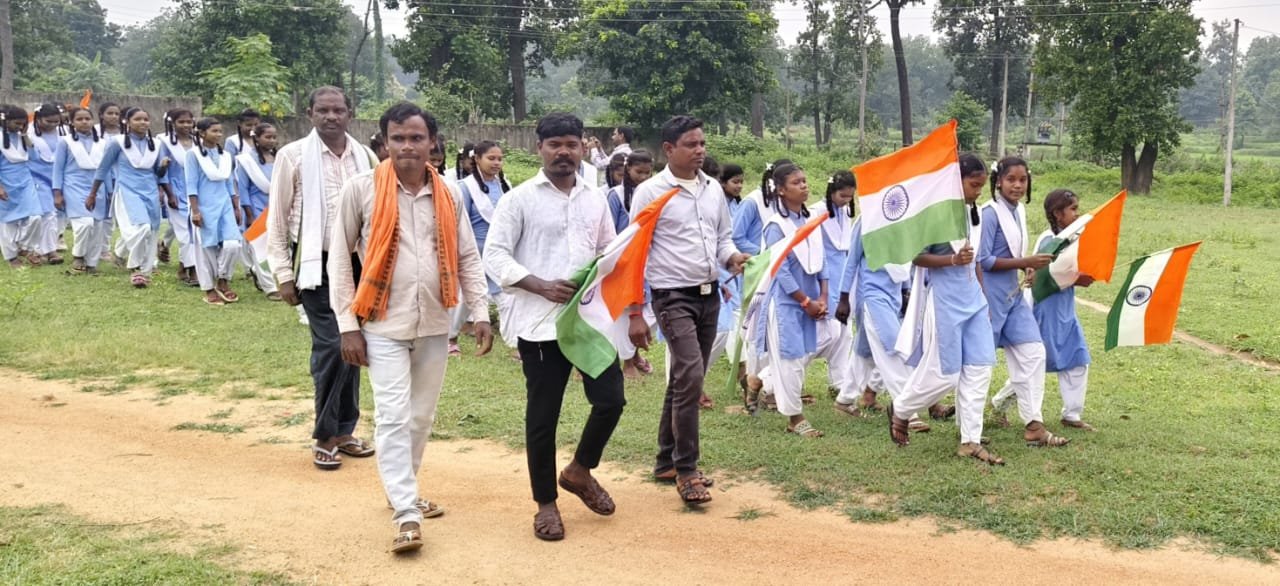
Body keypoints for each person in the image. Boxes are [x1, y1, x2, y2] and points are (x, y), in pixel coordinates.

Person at [329, 102, 492, 554]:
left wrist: (480, 311)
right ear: (384, 142)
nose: (407, 146)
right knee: (393, 415)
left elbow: (467, 255)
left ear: (432, 142)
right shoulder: (361, 189)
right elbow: (340, 259)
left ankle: (402, 487)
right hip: (381, 323)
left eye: (416, 138)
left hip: (436, 323)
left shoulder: (449, 194)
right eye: (397, 138)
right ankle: (406, 511)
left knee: (421, 416)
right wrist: (347, 325)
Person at [484, 112, 625, 542]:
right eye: (554, 145)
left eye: (571, 144)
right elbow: (495, 255)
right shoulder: (519, 200)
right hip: (540, 325)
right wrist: (540, 285)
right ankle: (545, 503)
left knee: (611, 400)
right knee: (543, 417)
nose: (564, 152)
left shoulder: (595, 198)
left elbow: (607, 249)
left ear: (583, 147)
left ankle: (580, 470)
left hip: (587, 322)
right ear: (539, 148)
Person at [629, 115, 749, 505]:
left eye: (702, 144)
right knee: (692, 375)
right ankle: (686, 470)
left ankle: (666, 460)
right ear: (669, 149)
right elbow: (635, 252)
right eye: (691, 144)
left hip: (709, 295)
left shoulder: (712, 188)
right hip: (672, 297)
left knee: (684, 377)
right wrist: (635, 311)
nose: (700, 151)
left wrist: (731, 258)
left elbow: (723, 238)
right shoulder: (650, 192)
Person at [266, 86, 378, 470]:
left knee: (355, 345)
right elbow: (277, 219)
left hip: (359, 265)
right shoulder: (293, 155)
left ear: (350, 113)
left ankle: (345, 431)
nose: (331, 117)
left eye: (338, 110)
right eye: (323, 110)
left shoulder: (366, 157)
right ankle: (326, 435)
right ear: (310, 113)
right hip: (316, 264)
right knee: (332, 345)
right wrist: (283, 274)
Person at [889, 153, 1003, 465]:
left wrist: (983, 298)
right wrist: (951, 259)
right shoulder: (936, 214)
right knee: (946, 374)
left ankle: (970, 440)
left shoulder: (973, 213)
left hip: (973, 301)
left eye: (981, 186)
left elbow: (974, 261)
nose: (978, 191)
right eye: (973, 185)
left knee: (980, 369)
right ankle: (901, 409)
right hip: (945, 302)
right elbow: (916, 256)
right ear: (956, 182)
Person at [980, 156, 1070, 448]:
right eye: (1011, 180)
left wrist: (1026, 266)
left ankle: (1034, 425)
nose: (1017, 185)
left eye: (1022, 180)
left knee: (1033, 353)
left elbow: (1012, 253)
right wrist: (1024, 261)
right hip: (990, 297)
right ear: (998, 182)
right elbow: (984, 260)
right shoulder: (990, 214)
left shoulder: (1018, 211)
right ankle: (966, 426)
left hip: (1014, 296)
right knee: (979, 364)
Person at [753, 164, 828, 437]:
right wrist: (805, 300)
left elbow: (822, 260)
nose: (804, 186)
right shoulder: (776, 226)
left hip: (811, 299)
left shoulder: (810, 221)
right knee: (790, 360)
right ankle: (795, 418)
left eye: (805, 180)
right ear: (781, 190)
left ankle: (757, 381)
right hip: (786, 302)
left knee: (803, 354)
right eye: (797, 182)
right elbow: (780, 269)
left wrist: (823, 296)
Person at [1033, 189, 1096, 431]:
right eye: (1072, 209)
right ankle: (1001, 402)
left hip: (1065, 307)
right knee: (1036, 363)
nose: (1076, 214)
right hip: (1046, 307)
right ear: (1058, 214)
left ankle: (1072, 414)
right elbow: (1045, 274)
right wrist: (1077, 279)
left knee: (1078, 358)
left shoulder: (1070, 238)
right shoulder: (1049, 240)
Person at [89, 106, 170, 288]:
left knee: (152, 231)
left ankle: (144, 268)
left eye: (146, 119)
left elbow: (158, 173)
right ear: (127, 122)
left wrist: (164, 169)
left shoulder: (156, 144)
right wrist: (93, 193)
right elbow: (102, 169)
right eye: (138, 119)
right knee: (142, 228)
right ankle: (135, 268)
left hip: (150, 192)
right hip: (127, 191)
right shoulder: (117, 143)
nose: (143, 123)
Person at [451, 140, 511, 356]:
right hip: (474, 252)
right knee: (465, 299)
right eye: (491, 158)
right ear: (477, 159)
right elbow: (459, 222)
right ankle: (450, 338)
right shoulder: (465, 188)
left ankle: (517, 344)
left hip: (498, 252)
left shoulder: (505, 185)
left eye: (500, 159)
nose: (496, 163)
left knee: (507, 296)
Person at [605, 149, 657, 379]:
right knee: (625, 311)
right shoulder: (615, 196)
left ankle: (634, 353)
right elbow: (609, 231)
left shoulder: (654, 193)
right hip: (623, 261)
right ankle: (627, 362)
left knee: (647, 310)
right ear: (628, 170)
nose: (643, 177)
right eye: (639, 172)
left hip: (648, 259)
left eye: (648, 173)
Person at [186, 117, 243, 306]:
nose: (218, 134)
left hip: (225, 205)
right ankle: (209, 289)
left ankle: (223, 279)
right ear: (202, 133)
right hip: (203, 205)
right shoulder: (193, 155)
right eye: (214, 131)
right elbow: (191, 184)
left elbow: (229, 182)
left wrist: (236, 206)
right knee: (206, 250)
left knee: (233, 244)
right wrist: (195, 210)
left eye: (220, 131)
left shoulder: (226, 156)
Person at [54, 106, 107, 274]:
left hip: (98, 188)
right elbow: (58, 168)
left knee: (97, 226)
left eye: (87, 119)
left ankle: (91, 263)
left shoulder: (102, 143)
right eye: (79, 119)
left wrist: (110, 191)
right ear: (72, 122)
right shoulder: (65, 142)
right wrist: (57, 192)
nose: (84, 122)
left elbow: (106, 169)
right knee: (85, 223)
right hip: (74, 186)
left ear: (93, 121)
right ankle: (78, 256)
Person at [235, 122, 281, 300]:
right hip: (256, 207)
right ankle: (270, 287)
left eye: (274, 137)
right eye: (267, 137)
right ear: (257, 138)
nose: (272, 140)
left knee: (277, 247)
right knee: (261, 247)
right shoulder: (246, 161)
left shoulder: (279, 157)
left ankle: (257, 270)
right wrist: (249, 213)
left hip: (276, 206)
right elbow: (243, 189)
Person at [0, 105, 44, 268]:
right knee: (8, 222)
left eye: (23, 124)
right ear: (5, 121)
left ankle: (24, 247)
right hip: (5, 183)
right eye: (17, 123)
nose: (20, 127)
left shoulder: (22, 137)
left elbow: (35, 157)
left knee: (35, 217)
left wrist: (25, 135)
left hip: (25, 182)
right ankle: (11, 258)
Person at [160, 109, 199, 287]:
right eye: (181, 122)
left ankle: (183, 268)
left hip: (195, 192)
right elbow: (162, 172)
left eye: (189, 122)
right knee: (185, 232)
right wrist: (168, 193)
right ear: (172, 123)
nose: (186, 125)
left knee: (195, 231)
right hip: (175, 191)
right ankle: (193, 270)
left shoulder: (198, 141)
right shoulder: (165, 142)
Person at [26, 104, 65, 265]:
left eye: (56, 121)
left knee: (54, 214)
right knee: (45, 213)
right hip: (36, 177)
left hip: (57, 177)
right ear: (38, 119)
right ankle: (43, 250)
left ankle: (49, 248)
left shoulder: (64, 132)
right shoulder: (28, 132)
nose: (53, 125)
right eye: (49, 121)